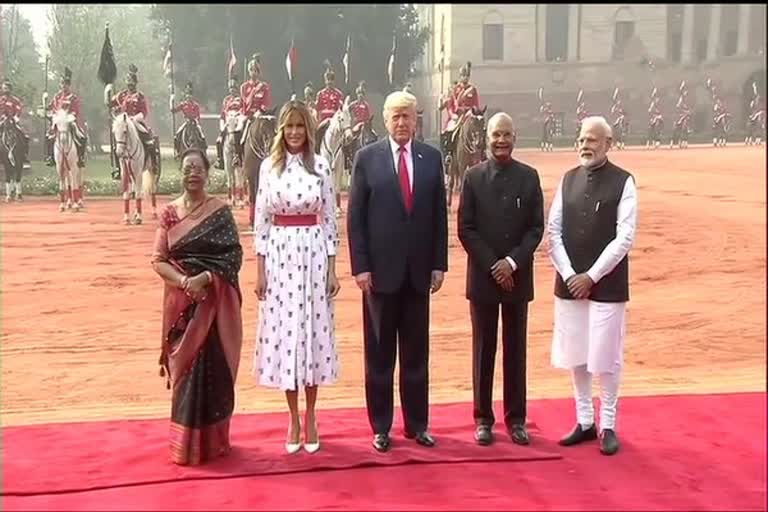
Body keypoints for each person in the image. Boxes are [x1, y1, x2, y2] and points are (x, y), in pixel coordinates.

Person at [347, 90, 448, 453]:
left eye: (408, 116)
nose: (402, 122)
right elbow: (355, 219)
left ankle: (418, 424)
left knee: (416, 355)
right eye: (396, 116)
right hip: (379, 275)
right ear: (385, 120)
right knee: (379, 356)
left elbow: (439, 215)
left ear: (416, 119)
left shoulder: (431, 158)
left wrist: (439, 263)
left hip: (419, 273)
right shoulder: (366, 159)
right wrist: (361, 267)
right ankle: (381, 426)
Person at [253, 99, 340, 455]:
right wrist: (260, 269)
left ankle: (312, 414)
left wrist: (333, 268)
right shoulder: (267, 168)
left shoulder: (321, 166)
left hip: (314, 252)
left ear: (308, 130)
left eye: (299, 126)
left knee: (313, 334)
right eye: (288, 127)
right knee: (288, 335)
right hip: (280, 255)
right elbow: (260, 219)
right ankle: (292, 417)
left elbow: (332, 218)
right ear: (281, 130)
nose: (293, 133)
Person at [547, 116, 638, 456]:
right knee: (577, 352)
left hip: (607, 285)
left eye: (593, 140)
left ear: (608, 144)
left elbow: (624, 236)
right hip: (570, 283)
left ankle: (608, 424)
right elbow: (552, 231)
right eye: (582, 139)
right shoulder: (567, 180)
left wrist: (592, 276)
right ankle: (585, 420)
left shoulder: (623, 182)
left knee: (606, 354)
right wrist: (571, 274)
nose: (585, 145)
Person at [151, 147, 244, 466]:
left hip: (213, 307)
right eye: (188, 168)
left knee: (213, 371)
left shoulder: (220, 212)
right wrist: (183, 281)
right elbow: (158, 260)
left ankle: (215, 443)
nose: (193, 173)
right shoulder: (169, 213)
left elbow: (233, 256)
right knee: (185, 374)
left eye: (198, 168)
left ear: (207, 173)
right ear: (181, 172)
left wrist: (205, 278)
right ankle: (184, 447)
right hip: (181, 307)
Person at [457, 113, 544, 447]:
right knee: (483, 349)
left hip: (517, 278)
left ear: (514, 137)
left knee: (515, 350)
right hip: (483, 277)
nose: (501, 141)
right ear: (487, 138)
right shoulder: (473, 177)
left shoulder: (528, 177)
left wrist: (511, 263)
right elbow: (466, 228)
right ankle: (482, 418)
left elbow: (536, 227)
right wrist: (494, 264)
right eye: (496, 135)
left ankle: (516, 418)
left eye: (506, 134)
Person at [109, 64, 159, 173]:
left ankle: (153, 164)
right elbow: (111, 103)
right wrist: (108, 91)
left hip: (136, 121)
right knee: (117, 144)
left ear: (135, 83)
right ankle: (118, 168)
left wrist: (135, 118)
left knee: (149, 141)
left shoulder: (140, 96)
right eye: (128, 82)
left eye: (132, 82)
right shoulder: (121, 95)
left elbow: (144, 111)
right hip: (124, 123)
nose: (130, 85)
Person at [45, 67, 87, 168]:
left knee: (81, 136)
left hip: (69, 118)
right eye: (62, 84)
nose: (64, 86)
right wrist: (45, 102)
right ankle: (51, 156)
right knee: (49, 136)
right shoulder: (57, 96)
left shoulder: (73, 97)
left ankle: (80, 157)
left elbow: (76, 110)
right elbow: (52, 107)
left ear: (69, 85)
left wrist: (69, 116)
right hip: (58, 119)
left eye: (66, 84)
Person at [0, 77, 30, 166]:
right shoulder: (0, 99)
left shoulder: (15, 100)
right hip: (1, 120)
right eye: (3, 88)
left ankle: (24, 155)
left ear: (10, 89)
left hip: (13, 120)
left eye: (6, 88)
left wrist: (16, 117)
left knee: (23, 135)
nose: (4, 90)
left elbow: (18, 109)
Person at [215, 77, 244, 170]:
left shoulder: (241, 99)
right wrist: (222, 125)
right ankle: (220, 160)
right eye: (231, 88)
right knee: (218, 141)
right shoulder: (226, 100)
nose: (232, 90)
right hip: (228, 121)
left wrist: (237, 116)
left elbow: (243, 111)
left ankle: (239, 156)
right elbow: (223, 113)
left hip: (237, 120)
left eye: (234, 88)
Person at [172, 81, 205, 159]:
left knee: (202, 135)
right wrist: (171, 100)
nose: (189, 96)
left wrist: (196, 121)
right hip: (186, 122)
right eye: (188, 95)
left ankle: (204, 150)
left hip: (194, 121)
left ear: (192, 96)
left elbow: (198, 115)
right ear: (186, 95)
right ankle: (178, 152)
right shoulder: (183, 104)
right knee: (177, 134)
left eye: (190, 95)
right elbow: (173, 111)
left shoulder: (196, 105)